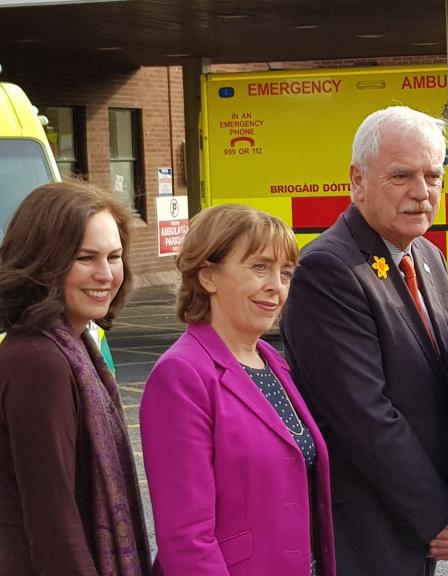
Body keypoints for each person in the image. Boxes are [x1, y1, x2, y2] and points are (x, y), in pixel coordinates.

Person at [281, 105, 448, 576]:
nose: (422, 193)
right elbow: (363, 414)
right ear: (357, 180)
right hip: (367, 526)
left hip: (414, 516)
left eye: (433, 176)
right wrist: (438, 512)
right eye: (402, 175)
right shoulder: (328, 269)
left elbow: (446, 380)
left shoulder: (425, 253)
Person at [140, 204, 334, 576]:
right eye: (259, 267)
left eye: (286, 273)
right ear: (209, 275)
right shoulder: (182, 374)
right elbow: (187, 538)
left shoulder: (272, 361)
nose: (275, 287)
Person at [0, 182, 150, 575]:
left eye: (114, 257)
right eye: (85, 258)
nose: (105, 274)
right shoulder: (39, 360)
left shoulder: (74, 343)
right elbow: (54, 519)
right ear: (43, 262)